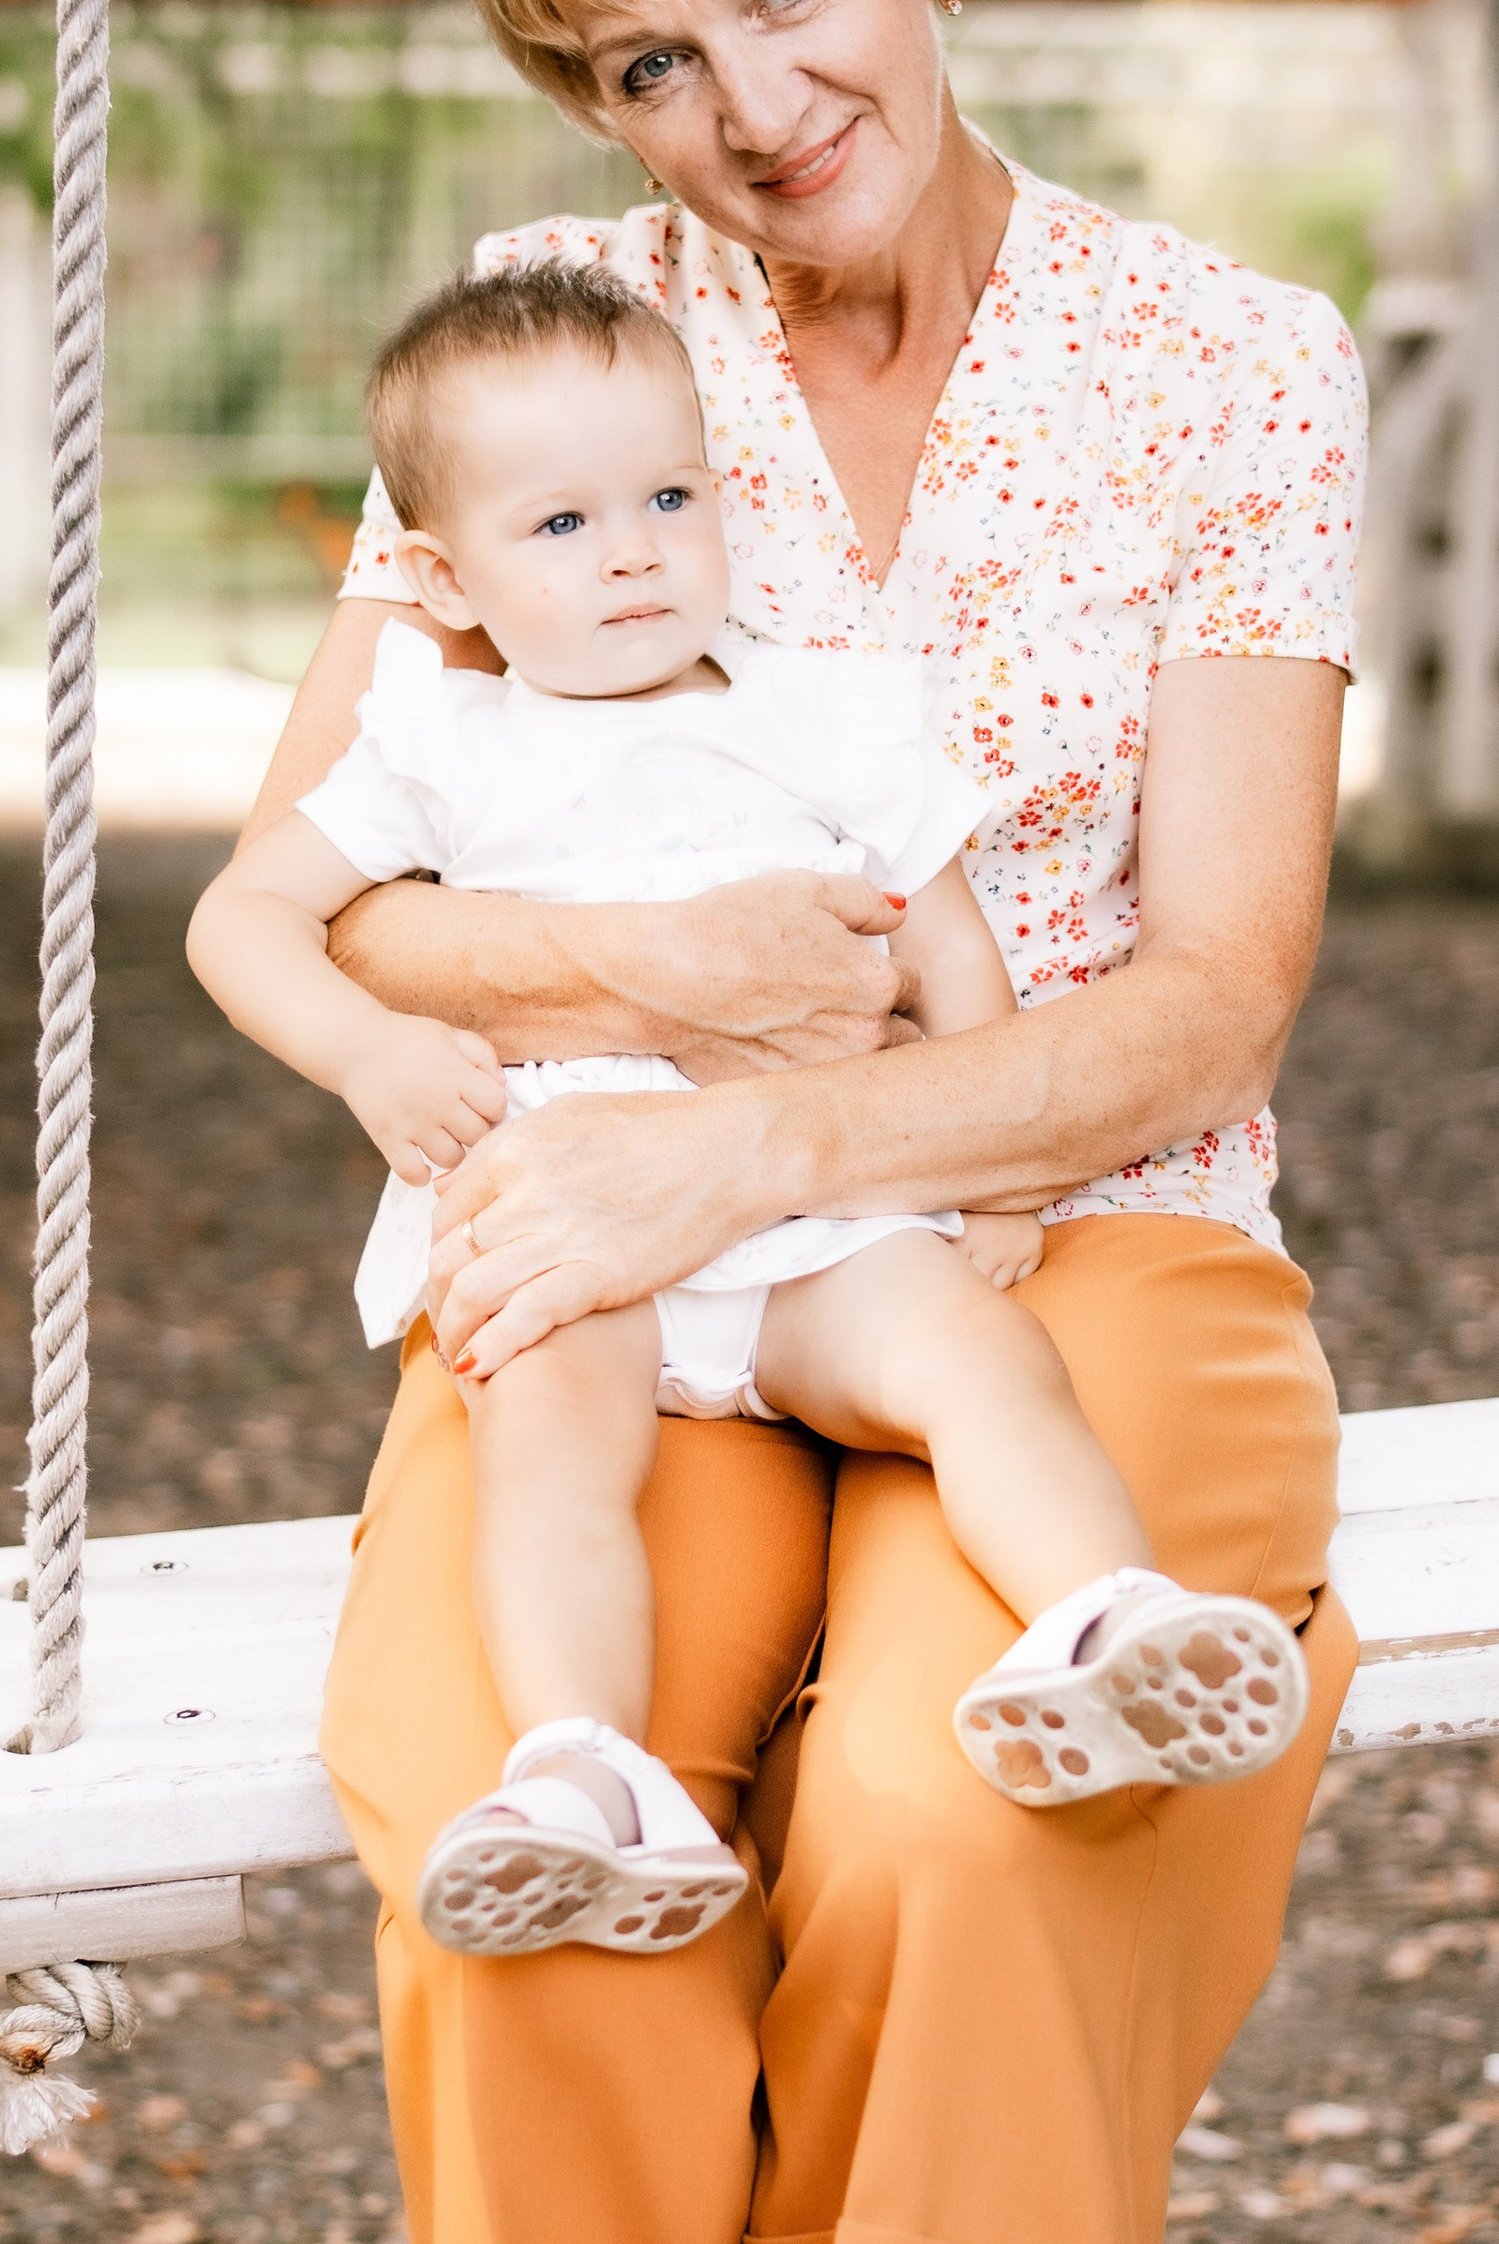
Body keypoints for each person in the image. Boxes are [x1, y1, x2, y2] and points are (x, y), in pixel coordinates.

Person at [231, 0, 1364, 2244]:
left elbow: (1208, 985)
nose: (747, 107)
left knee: (968, 1823)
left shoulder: (1217, 367)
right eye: (646, 59)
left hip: (1081, 1236)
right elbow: (343, 887)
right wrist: (651, 999)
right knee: (529, 1840)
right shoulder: (554, 343)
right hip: (609, 1239)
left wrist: (802, 1136)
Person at [190, 263, 1311, 1971]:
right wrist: (363, 1053)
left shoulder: (812, 713)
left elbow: (948, 941)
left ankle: (1106, 1619)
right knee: (551, 1458)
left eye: (667, 497)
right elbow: (242, 920)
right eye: (559, 524)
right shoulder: (437, 742)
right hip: (578, 1223)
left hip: (820, 1228)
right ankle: (584, 1774)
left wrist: (992, 1171)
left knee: (974, 1361)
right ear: (438, 576)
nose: (634, 549)